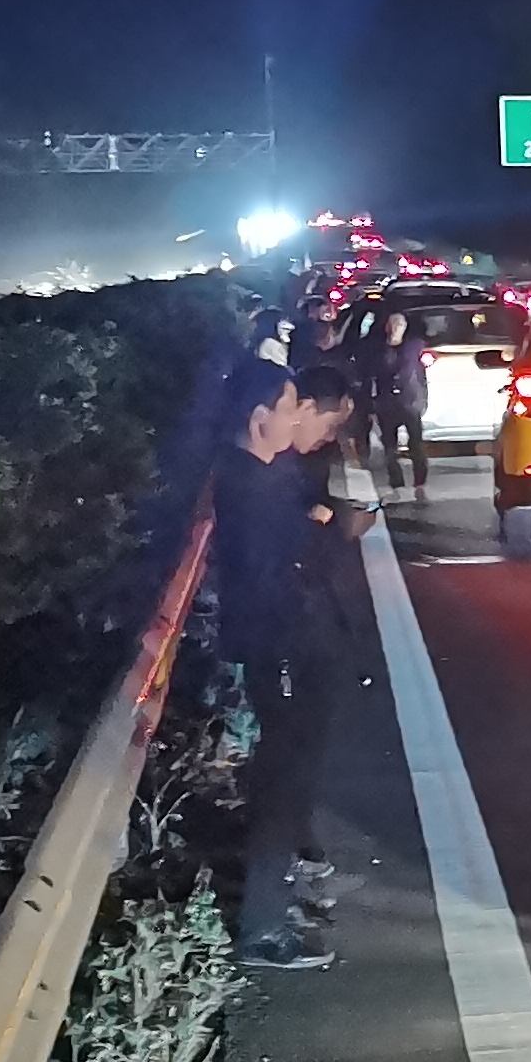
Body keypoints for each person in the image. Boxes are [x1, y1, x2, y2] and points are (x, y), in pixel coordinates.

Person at [215, 361, 363, 970]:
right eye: (288, 405)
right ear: (259, 420)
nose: (297, 414)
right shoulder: (246, 486)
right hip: (282, 646)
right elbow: (274, 574)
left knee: (294, 770)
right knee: (280, 778)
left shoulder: (270, 474)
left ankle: (280, 899)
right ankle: (262, 929)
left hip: (299, 642)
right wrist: (328, 537)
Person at [365, 308, 428, 497]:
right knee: (390, 445)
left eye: (399, 325)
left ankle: (420, 479)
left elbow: (422, 374)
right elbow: (371, 377)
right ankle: (396, 480)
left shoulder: (415, 346)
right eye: (393, 324)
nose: (395, 328)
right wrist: (372, 405)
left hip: (410, 401)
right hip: (386, 403)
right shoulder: (377, 350)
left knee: (416, 443)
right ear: (386, 327)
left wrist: (423, 399)